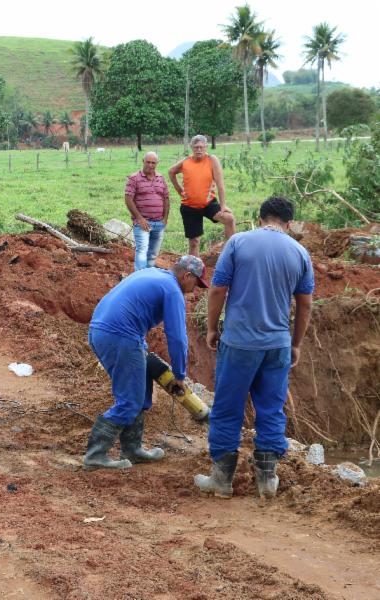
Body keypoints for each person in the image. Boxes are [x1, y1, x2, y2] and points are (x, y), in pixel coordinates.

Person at [195, 197, 313, 499]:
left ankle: (222, 479)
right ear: (288, 224)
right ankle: (267, 480)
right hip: (277, 345)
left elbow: (219, 288)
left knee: (227, 407)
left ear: (260, 218)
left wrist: (211, 328)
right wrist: (295, 344)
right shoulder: (300, 253)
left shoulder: (238, 243)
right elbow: (305, 304)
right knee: (271, 408)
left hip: (239, 343)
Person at [83, 256, 208, 470]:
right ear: (187, 276)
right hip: (119, 336)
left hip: (103, 332)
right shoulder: (172, 290)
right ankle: (96, 455)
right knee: (130, 400)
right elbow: (177, 337)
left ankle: (133, 449)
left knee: (139, 394)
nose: (194, 290)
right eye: (196, 283)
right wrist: (179, 375)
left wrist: (140, 348)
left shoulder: (154, 274)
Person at [168, 135, 236, 256]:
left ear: (206, 147)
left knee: (229, 219)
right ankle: (195, 271)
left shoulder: (212, 160)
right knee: (194, 242)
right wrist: (179, 189)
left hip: (208, 204)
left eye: (201, 147)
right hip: (189, 206)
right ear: (191, 148)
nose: (199, 150)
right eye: (196, 147)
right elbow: (171, 171)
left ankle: (229, 253)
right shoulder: (185, 162)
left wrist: (223, 205)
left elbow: (220, 185)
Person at [125, 151, 169, 270]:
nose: (150, 165)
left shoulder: (161, 178)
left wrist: (165, 219)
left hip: (159, 223)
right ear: (143, 162)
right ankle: (139, 279)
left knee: (153, 254)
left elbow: (166, 198)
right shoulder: (134, 178)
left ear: (157, 163)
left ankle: (148, 278)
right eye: (148, 162)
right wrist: (139, 218)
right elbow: (128, 199)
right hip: (143, 223)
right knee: (142, 251)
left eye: (153, 163)